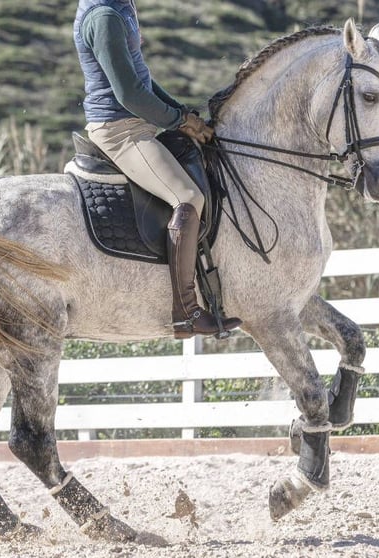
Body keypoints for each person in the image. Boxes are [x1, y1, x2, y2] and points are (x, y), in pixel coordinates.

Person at [73, 0, 241, 339]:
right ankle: (186, 313)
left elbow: (142, 78)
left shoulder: (119, 6)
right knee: (188, 197)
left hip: (136, 123)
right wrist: (178, 120)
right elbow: (129, 93)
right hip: (121, 130)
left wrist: (181, 114)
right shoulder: (104, 16)